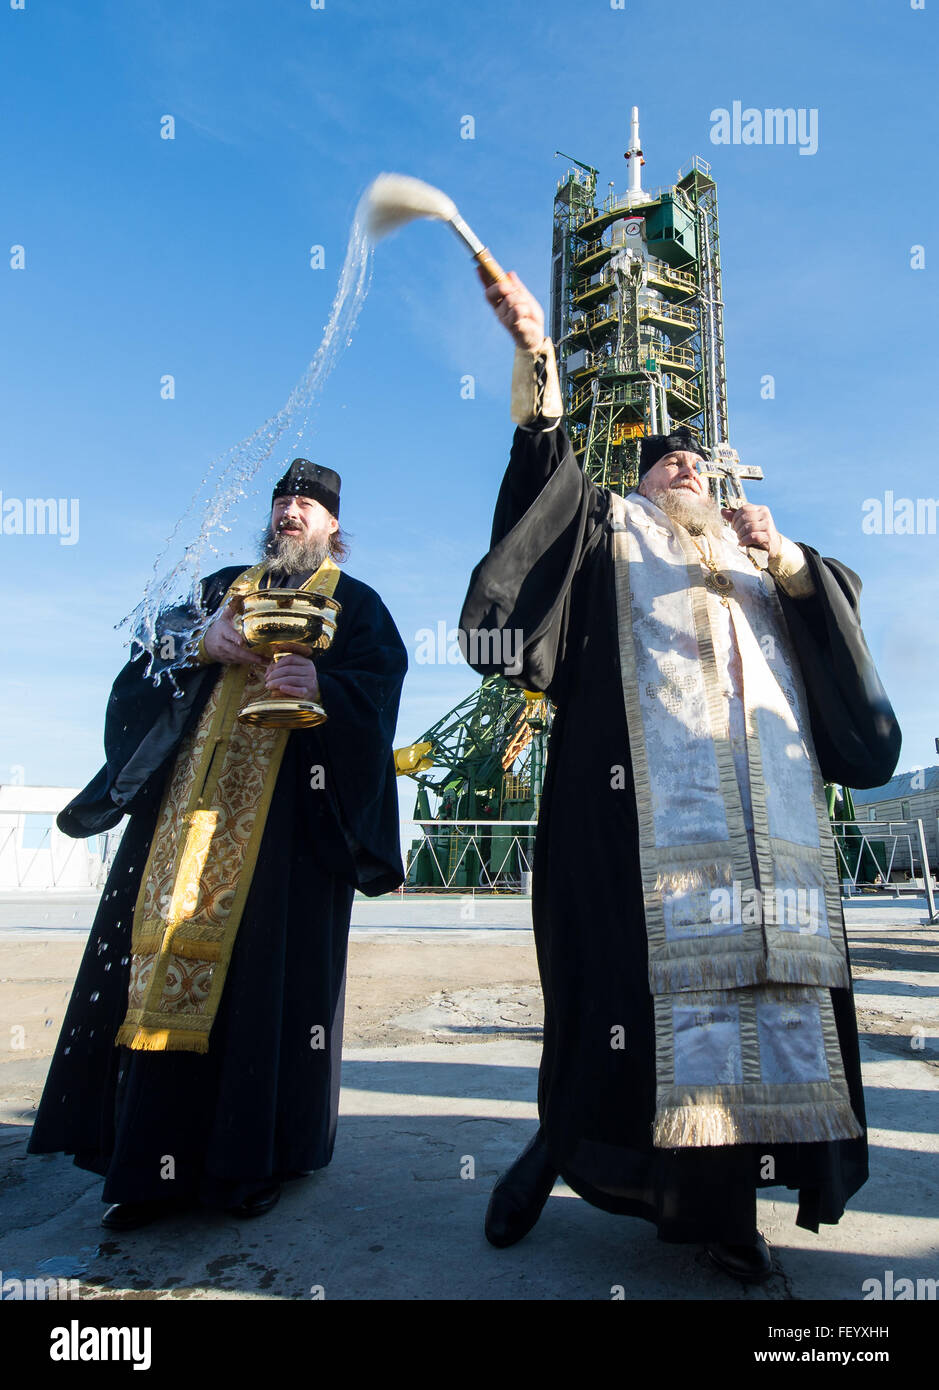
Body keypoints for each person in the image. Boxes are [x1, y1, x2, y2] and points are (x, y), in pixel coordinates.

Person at [459, 274, 901, 1282]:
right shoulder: (607, 534)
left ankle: (722, 1209)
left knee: (751, 1014)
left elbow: (856, 710)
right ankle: (552, 1149)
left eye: (695, 463)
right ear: (642, 480)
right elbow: (536, 538)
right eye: (665, 465)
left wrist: (789, 561)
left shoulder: (767, 568)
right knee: (610, 1013)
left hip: (760, 864)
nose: (682, 470)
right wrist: (540, 369)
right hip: (625, 836)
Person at [29, 459, 407, 1229]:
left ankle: (247, 1162)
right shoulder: (218, 589)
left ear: (335, 526)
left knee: (263, 990)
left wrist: (323, 688)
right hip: (180, 821)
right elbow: (142, 654)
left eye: (306, 504)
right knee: (158, 970)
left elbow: (378, 693)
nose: (290, 512)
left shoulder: (358, 605)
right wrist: (199, 642)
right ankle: (145, 1169)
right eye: (282, 502)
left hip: (287, 834)